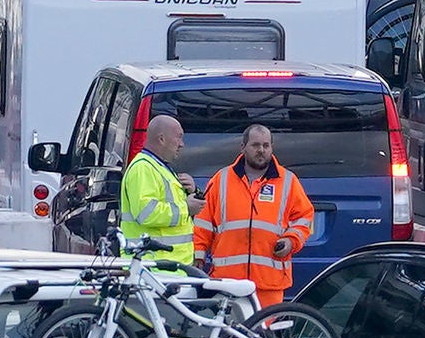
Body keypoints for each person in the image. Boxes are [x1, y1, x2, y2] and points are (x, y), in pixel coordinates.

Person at [196, 121, 317, 308]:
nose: (261, 150)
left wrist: (291, 240)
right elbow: (202, 224)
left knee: (264, 336)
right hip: (228, 283)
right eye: (255, 145)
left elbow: (304, 218)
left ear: (271, 148)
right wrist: (198, 258)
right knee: (229, 336)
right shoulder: (221, 179)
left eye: (266, 145)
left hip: (269, 284)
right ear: (243, 147)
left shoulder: (288, 181)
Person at [116, 112, 196, 272]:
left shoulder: (159, 168)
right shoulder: (143, 168)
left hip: (166, 269)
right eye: (179, 137)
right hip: (153, 269)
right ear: (161, 139)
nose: (182, 144)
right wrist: (186, 208)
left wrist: (192, 192)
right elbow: (146, 213)